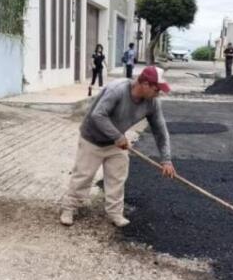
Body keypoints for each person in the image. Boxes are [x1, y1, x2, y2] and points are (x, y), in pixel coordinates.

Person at [60, 66, 176, 228]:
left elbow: (160, 130)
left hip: (115, 144)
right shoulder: (117, 90)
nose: (159, 93)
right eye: (157, 89)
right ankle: (69, 208)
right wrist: (118, 136)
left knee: (117, 178)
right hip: (92, 139)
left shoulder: (152, 102)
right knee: (83, 175)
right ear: (144, 84)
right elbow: (98, 115)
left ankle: (115, 213)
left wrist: (166, 159)